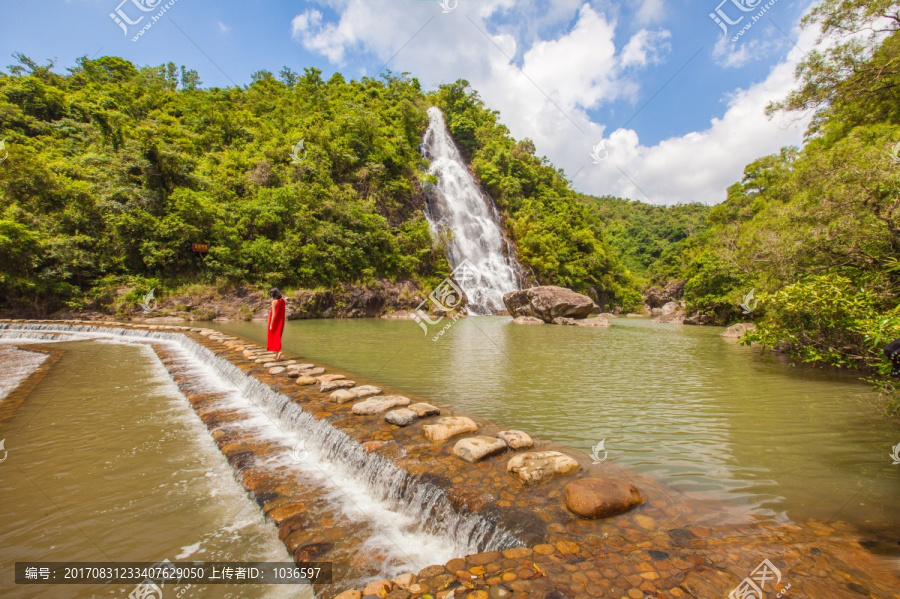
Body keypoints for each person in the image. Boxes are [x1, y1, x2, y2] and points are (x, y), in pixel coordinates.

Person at [267, 288, 286, 361]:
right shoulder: (283, 300)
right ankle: (277, 354)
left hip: (275, 321)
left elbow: (274, 314)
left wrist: (271, 324)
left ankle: (278, 352)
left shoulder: (274, 302)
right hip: (281, 321)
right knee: (278, 336)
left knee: (273, 336)